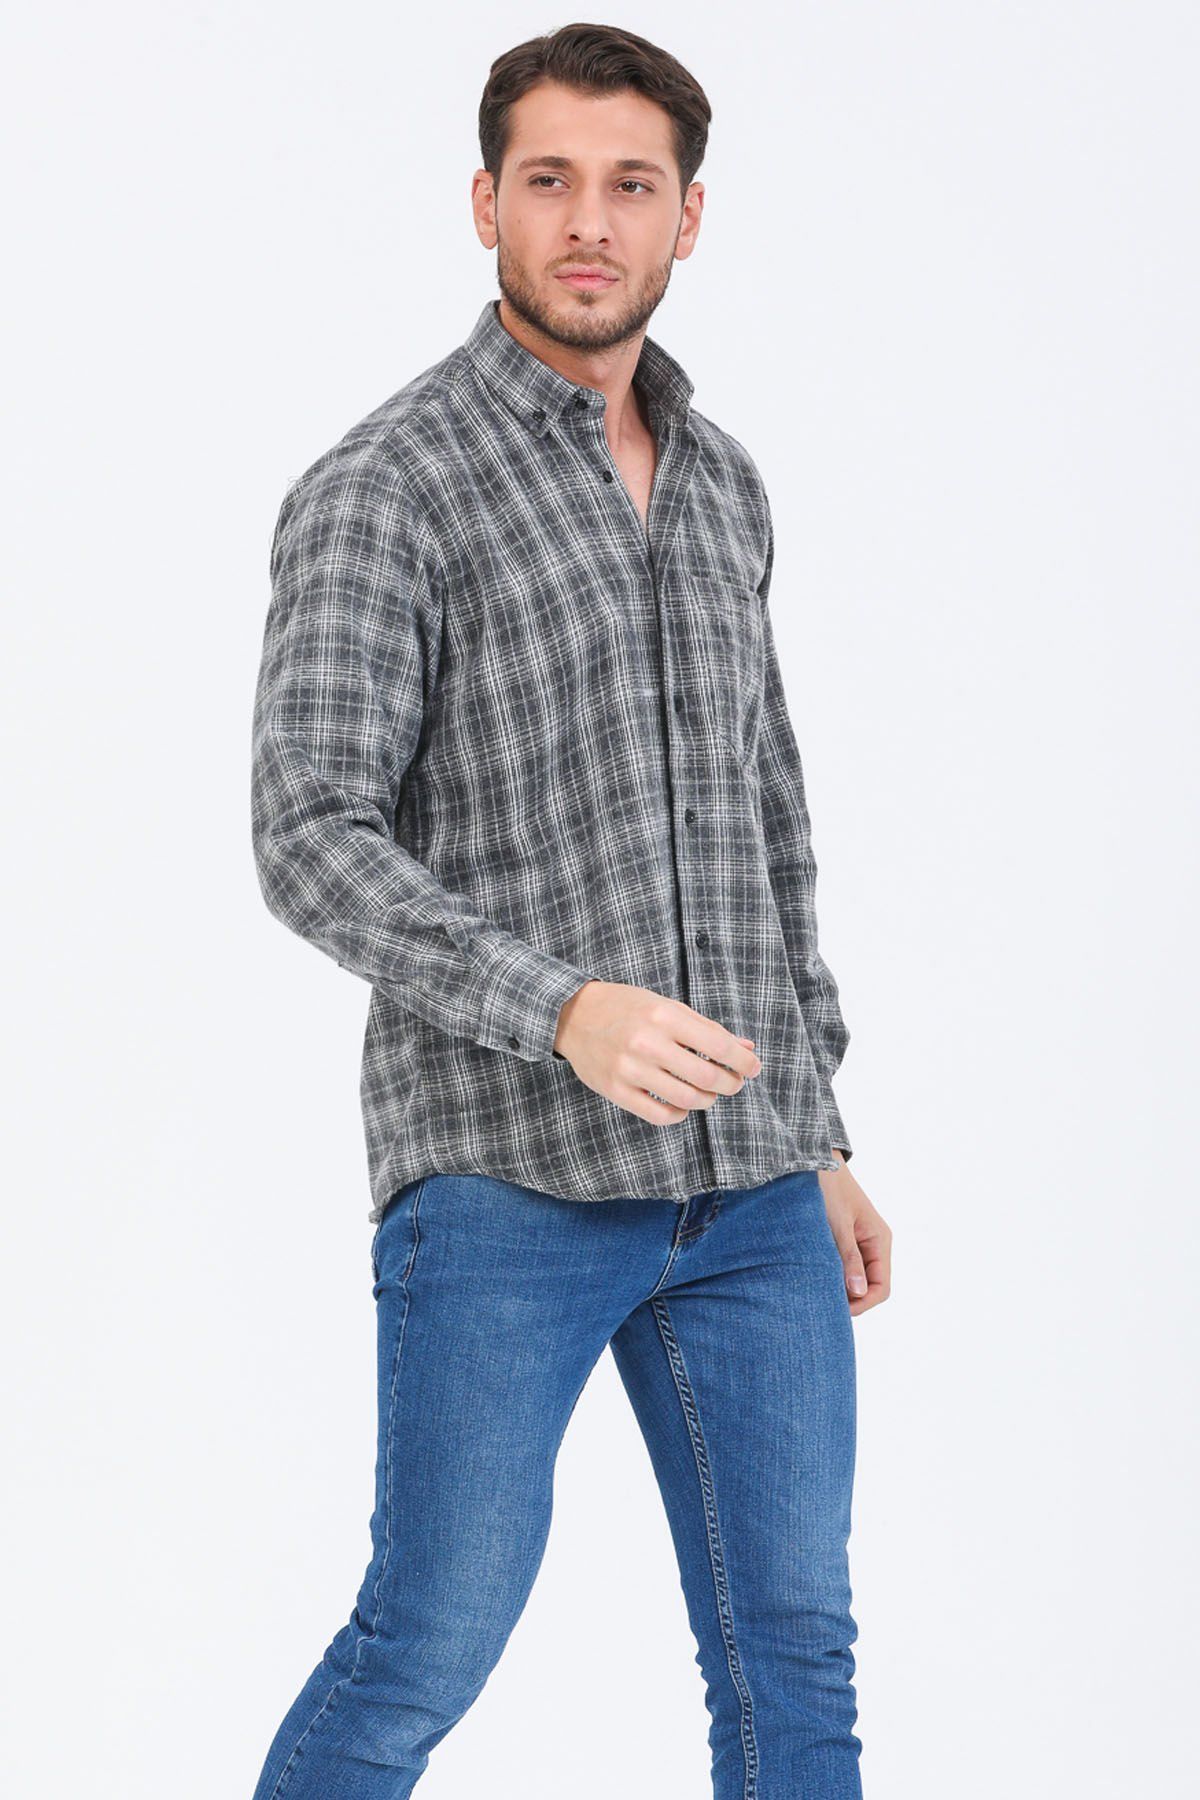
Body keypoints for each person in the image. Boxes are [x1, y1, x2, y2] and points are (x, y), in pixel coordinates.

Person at [248, 22, 891, 1800]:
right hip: (502, 1178)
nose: (589, 223)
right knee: (423, 1646)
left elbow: (767, 818)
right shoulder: (388, 485)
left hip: (752, 1185)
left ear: (691, 217)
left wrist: (818, 1126)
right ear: (486, 205)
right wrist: (562, 1009)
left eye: (630, 185)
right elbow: (307, 833)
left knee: (796, 1658)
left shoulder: (725, 480)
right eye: (549, 181)